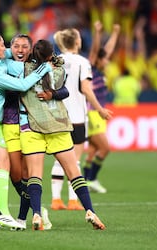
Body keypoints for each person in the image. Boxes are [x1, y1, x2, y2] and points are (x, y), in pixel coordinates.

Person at [0, 29, 52, 230]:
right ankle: (4, 214)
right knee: (4, 164)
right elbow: (22, 85)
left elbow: (13, 54)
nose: (5, 48)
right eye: (1, 45)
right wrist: (44, 69)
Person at [19, 39, 105, 230]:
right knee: (74, 171)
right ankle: (90, 210)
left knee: (35, 175)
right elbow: (64, 90)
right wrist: (53, 94)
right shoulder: (58, 71)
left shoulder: (23, 69)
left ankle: (37, 215)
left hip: (33, 126)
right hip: (58, 124)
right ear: (51, 55)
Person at [50, 28, 113, 211]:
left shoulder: (56, 61)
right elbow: (86, 88)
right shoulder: (82, 62)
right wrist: (100, 109)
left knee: (59, 158)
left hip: (57, 116)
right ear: (77, 42)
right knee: (74, 160)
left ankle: (55, 200)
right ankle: (72, 201)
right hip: (77, 117)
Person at [83, 22, 121, 193]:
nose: (107, 60)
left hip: (96, 113)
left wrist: (115, 32)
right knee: (105, 148)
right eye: (104, 58)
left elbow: (108, 49)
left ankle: (87, 180)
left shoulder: (100, 69)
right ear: (98, 59)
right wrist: (97, 32)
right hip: (93, 112)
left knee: (93, 150)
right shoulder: (92, 69)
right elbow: (96, 50)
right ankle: (91, 179)